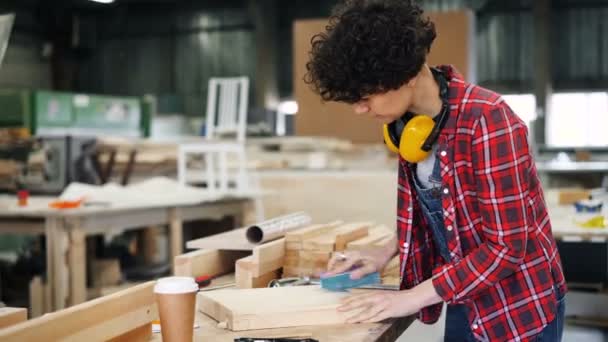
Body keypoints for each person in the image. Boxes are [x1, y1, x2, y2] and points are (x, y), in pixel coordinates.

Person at [305, 1, 567, 341]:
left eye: (367, 95)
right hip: (464, 293)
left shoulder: (488, 121)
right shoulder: (406, 125)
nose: (359, 109)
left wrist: (411, 298)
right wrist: (384, 251)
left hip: (517, 307)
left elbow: (506, 248)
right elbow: (442, 215)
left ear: (409, 74)